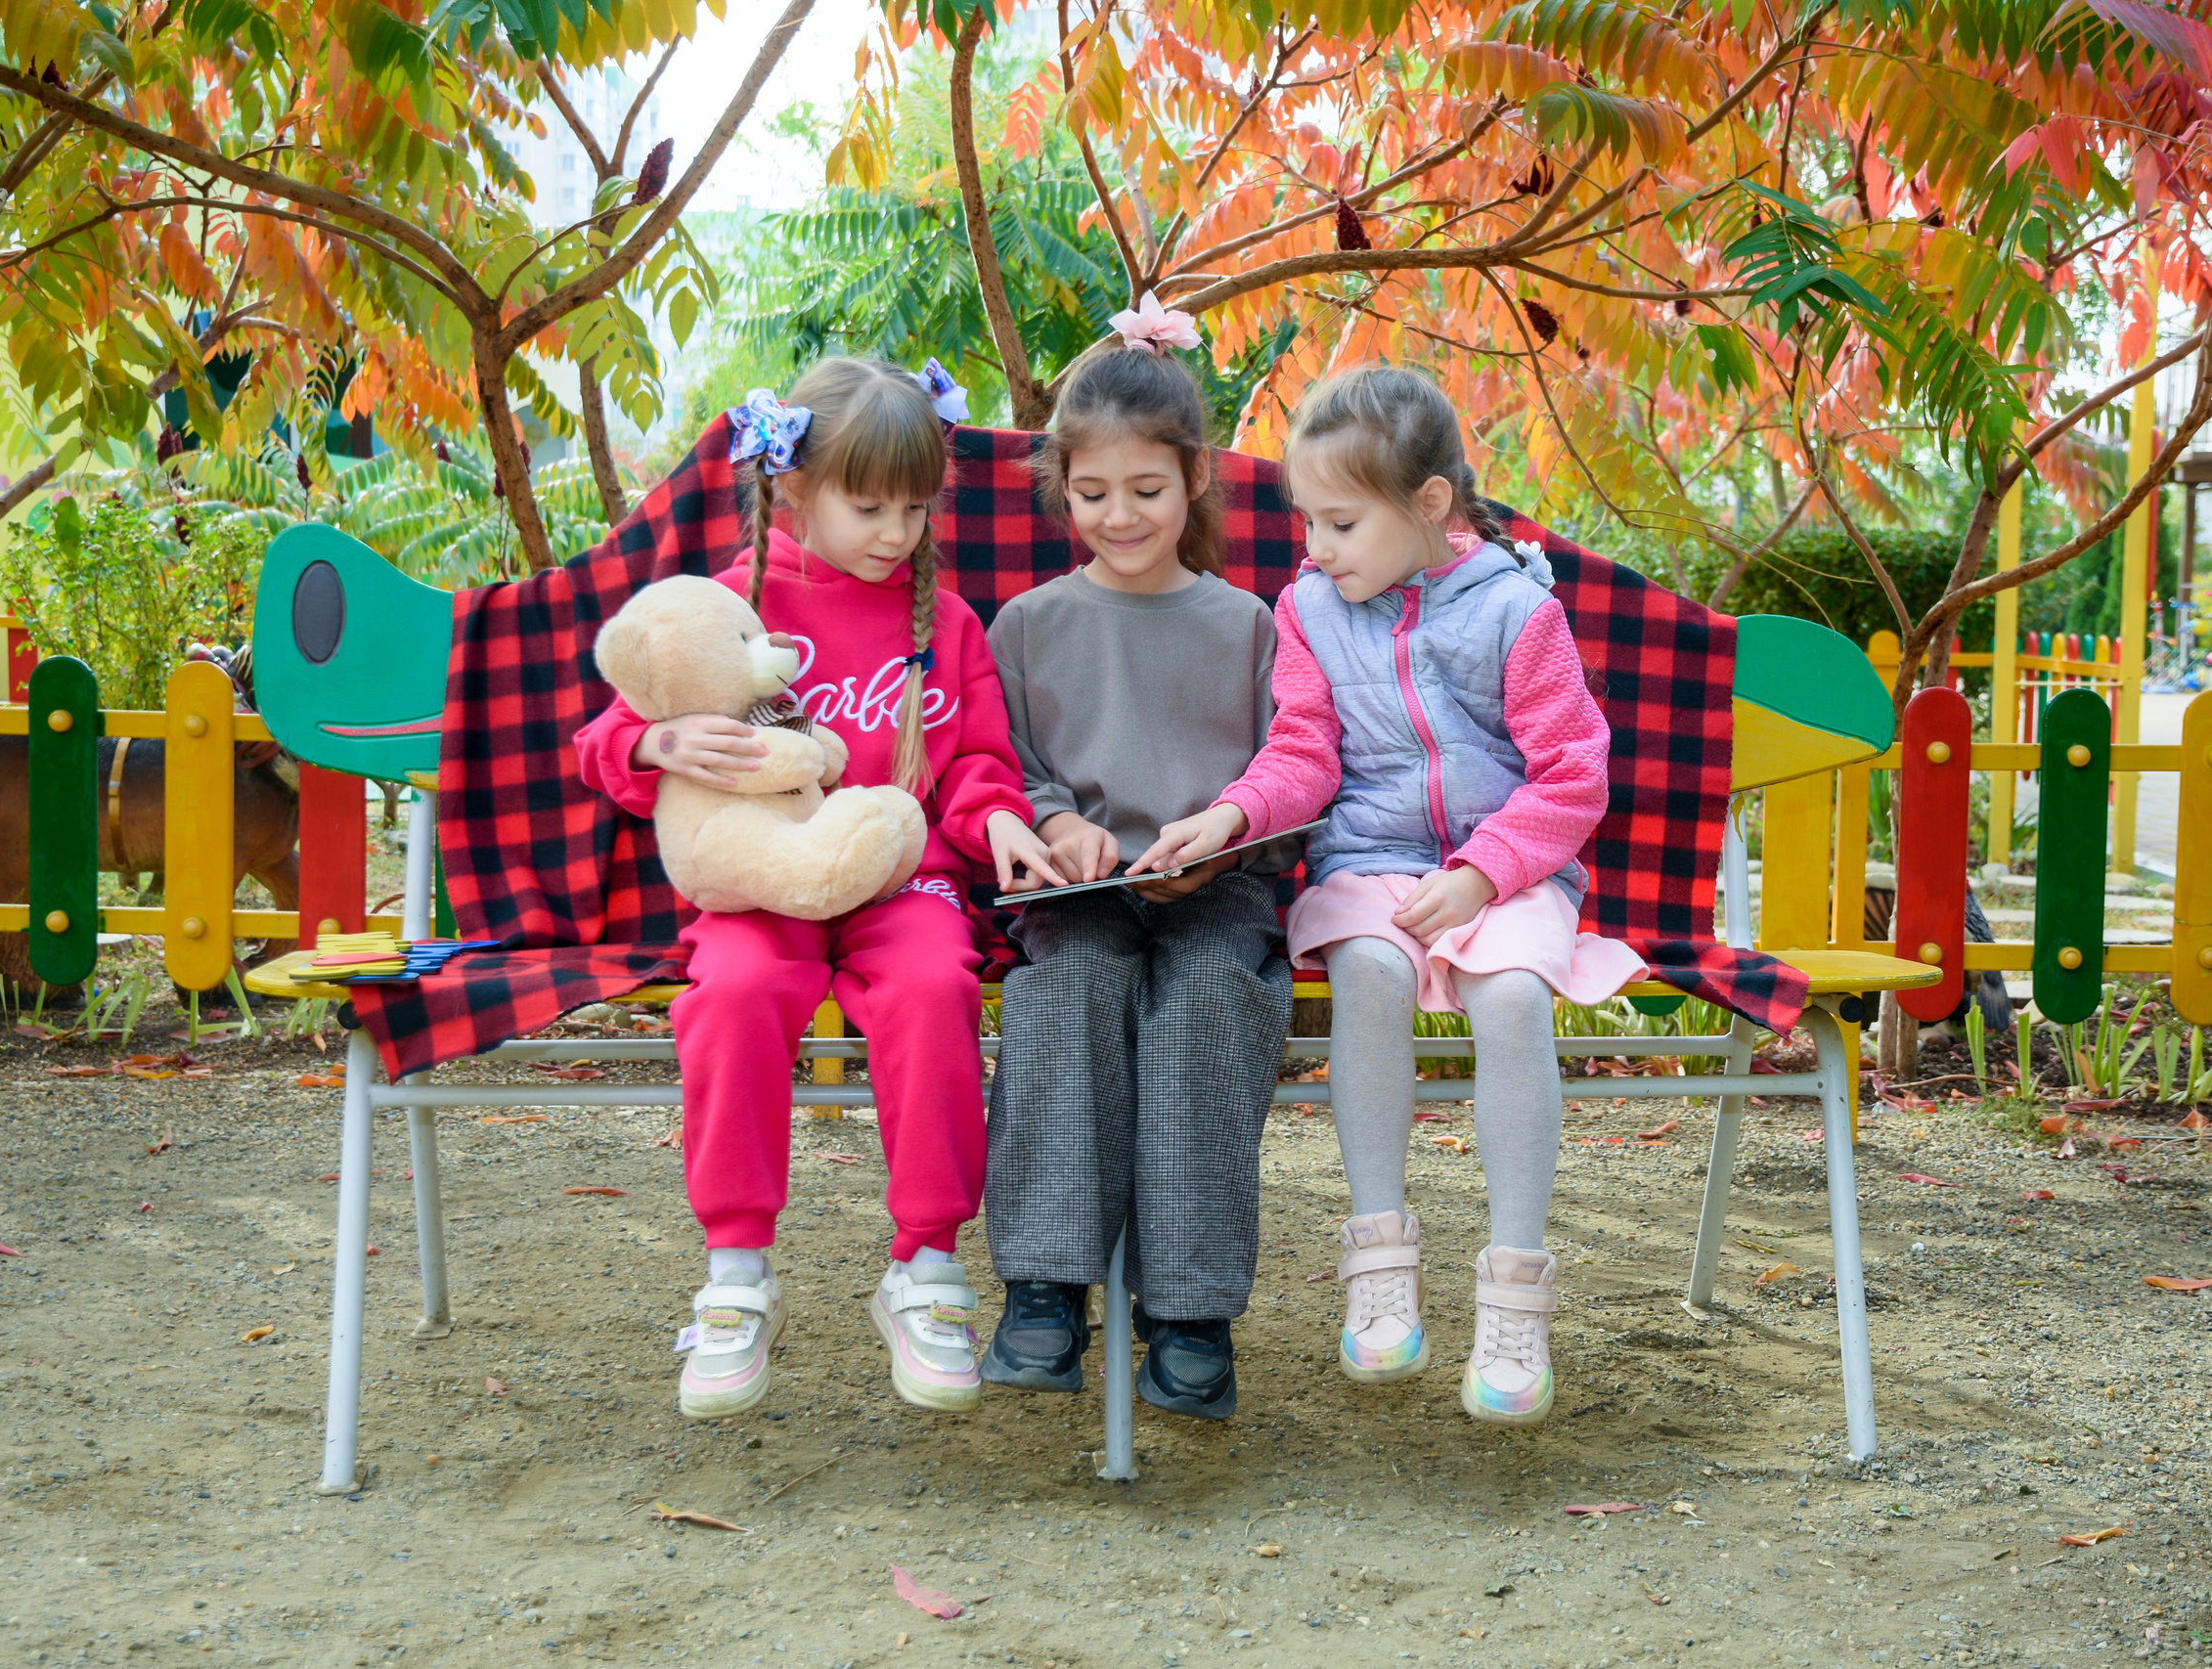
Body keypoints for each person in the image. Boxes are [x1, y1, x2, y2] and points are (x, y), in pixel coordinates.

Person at [1135, 365, 1643, 1427]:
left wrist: (1482, 875)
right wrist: (1234, 816)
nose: (1314, 548)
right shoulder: (1311, 610)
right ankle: (1378, 1256)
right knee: (1364, 972)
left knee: (1509, 1000)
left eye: (1338, 522)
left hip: (1507, 866)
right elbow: (1303, 755)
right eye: (1305, 522)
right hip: (1371, 857)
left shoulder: (1516, 610)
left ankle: (1513, 1291)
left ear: (1428, 506)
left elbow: (1571, 776)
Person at [573, 357, 1064, 1420]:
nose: (896, 531)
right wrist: (659, 742)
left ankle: (926, 1263)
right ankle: (737, 1271)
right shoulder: (726, 608)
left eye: (916, 507)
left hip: (903, 881)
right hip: (758, 882)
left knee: (938, 990)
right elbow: (605, 741)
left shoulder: (949, 627)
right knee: (735, 996)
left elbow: (976, 766)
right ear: (791, 488)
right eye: (869, 504)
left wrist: (1003, 823)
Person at [979, 295, 1295, 1422]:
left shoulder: (1250, 624)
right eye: (1093, 492)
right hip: (1081, 891)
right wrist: (1060, 825)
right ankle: (1046, 1290)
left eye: (1146, 491)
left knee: (1210, 996)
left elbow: (1289, 769)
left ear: (1195, 480)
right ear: (1061, 486)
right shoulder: (1024, 625)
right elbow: (1006, 763)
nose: (1119, 516)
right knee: (1068, 987)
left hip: (1220, 885)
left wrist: (1223, 838)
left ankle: (1191, 1311)